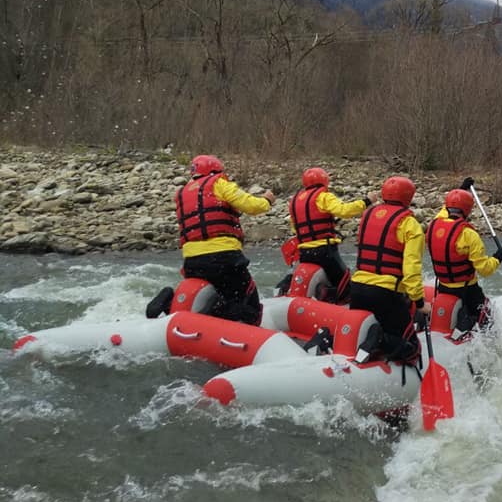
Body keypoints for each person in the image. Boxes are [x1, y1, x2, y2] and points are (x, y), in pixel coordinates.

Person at [174, 154, 275, 325]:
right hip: (223, 259)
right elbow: (250, 205)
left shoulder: (182, 193)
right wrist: (267, 200)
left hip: (192, 263)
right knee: (248, 301)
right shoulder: (219, 183)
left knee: (222, 297)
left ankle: (172, 300)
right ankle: (245, 330)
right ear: (215, 170)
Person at [350, 175, 430, 364]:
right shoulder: (410, 225)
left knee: (365, 332)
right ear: (408, 197)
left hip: (357, 289)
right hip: (385, 294)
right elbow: (411, 270)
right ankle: (380, 339)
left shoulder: (367, 215)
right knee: (412, 349)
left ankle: (370, 344)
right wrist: (419, 304)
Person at [426, 177, 502, 339]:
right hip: (468, 291)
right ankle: (482, 340)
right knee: (488, 319)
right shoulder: (469, 235)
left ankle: (458, 326)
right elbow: (485, 269)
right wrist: (498, 257)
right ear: (468, 210)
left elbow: (446, 209)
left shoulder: (434, 224)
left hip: (443, 287)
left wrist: (461, 190)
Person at [288, 167, 375, 303]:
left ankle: (322, 296)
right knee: (345, 282)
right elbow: (344, 210)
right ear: (324, 180)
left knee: (331, 278)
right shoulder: (323, 196)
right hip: (324, 251)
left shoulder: (295, 201)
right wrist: (366, 201)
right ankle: (329, 296)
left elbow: (295, 228)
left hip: (304, 253)